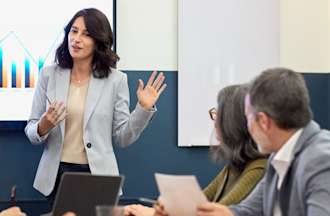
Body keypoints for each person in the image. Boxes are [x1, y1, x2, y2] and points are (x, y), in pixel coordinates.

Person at [24, 8, 166, 208]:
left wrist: (142, 109)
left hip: (98, 176)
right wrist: (43, 125)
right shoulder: (48, 75)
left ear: (99, 41)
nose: (76, 39)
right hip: (56, 178)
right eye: (74, 31)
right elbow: (31, 131)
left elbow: (123, 138)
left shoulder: (116, 80)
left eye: (86, 34)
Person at [196, 68, 330, 216]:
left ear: (263, 121)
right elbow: (248, 211)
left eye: (248, 118)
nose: (247, 128)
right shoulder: (278, 158)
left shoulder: (321, 159)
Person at [126, 85, 267, 216]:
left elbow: (216, 212)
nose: (215, 121)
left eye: (220, 114)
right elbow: (199, 203)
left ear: (235, 122)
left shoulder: (259, 168)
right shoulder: (235, 165)